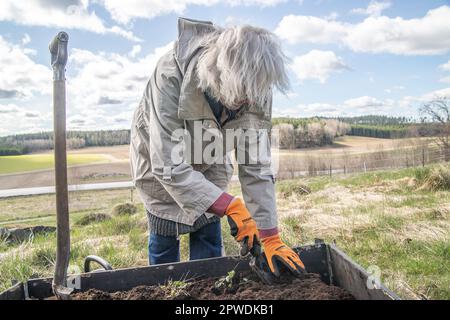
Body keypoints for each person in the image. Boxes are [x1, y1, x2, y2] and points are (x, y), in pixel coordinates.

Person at [130, 17, 305, 277]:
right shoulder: (169, 76)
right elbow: (168, 165)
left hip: (211, 159)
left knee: (209, 235)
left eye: (254, 94)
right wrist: (230, 205)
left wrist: (270, 236)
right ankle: (166, 287)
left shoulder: (257, 86)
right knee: (165, 234)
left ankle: (209, 290)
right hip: (161, 165)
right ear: (221, 76)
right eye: (242, 93)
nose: (248, 100)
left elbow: (256, 166)